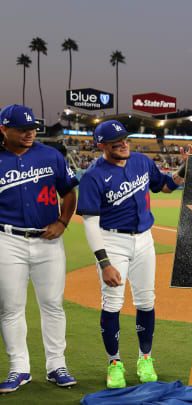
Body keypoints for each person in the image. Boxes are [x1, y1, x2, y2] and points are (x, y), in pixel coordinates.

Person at [76, 120, 192, 389]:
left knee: (146, 300)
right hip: (111, 240)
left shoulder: (141, 161)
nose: (123, 143)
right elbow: (89, 222)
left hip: (144, 239)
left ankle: (145, 358)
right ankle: (114, 363)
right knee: (112, 302)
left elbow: (166, 186)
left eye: (124, 138)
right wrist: (104, 261)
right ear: (101, 146)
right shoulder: (93, 176)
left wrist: (185, 167)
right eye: (115, 141)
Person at [0, 104, 78, 393]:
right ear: (4, 130)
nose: (29, 133)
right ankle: (18, 369)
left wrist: (63, 222)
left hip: (49, 240)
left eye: (32, 128)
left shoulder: (51, 155)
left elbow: (68, 191)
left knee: (53, 305)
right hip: (7, 240)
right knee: (10, 308)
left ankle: (56, 365)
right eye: (22, 129)